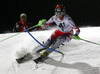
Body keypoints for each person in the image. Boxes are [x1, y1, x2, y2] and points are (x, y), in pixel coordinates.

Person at [16, 4, 80, 64]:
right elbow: (46, 25)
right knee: (46, 44)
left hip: (68, 34)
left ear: (64, 12)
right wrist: (42, 24)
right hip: (58, 32)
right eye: (57, 13)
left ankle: (46, 53)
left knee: (59, 39)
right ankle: (31, 52)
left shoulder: (68, 19)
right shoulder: (54, 17)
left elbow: (77, 29)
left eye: (61, 13)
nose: (59, 15)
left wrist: (76, 35)